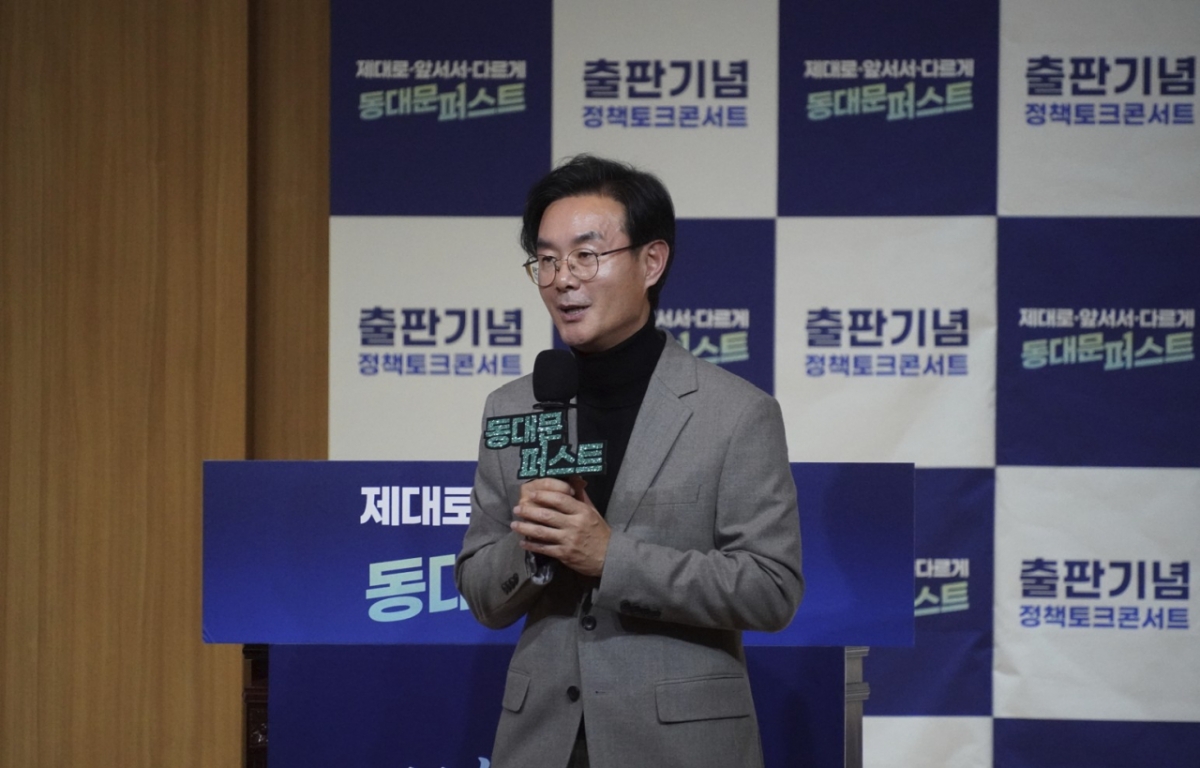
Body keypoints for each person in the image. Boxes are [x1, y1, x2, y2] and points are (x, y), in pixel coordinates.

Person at [455, 155, 803, 768]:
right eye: (547, 260)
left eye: (586, 255)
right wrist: (533, 547)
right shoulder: (513, 407)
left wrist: (610, 557)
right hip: (542, 745)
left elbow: (770, 588)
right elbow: (482, 592)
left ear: (651, 262)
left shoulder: (735, 413)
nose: (564, 280)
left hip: (680, 746)